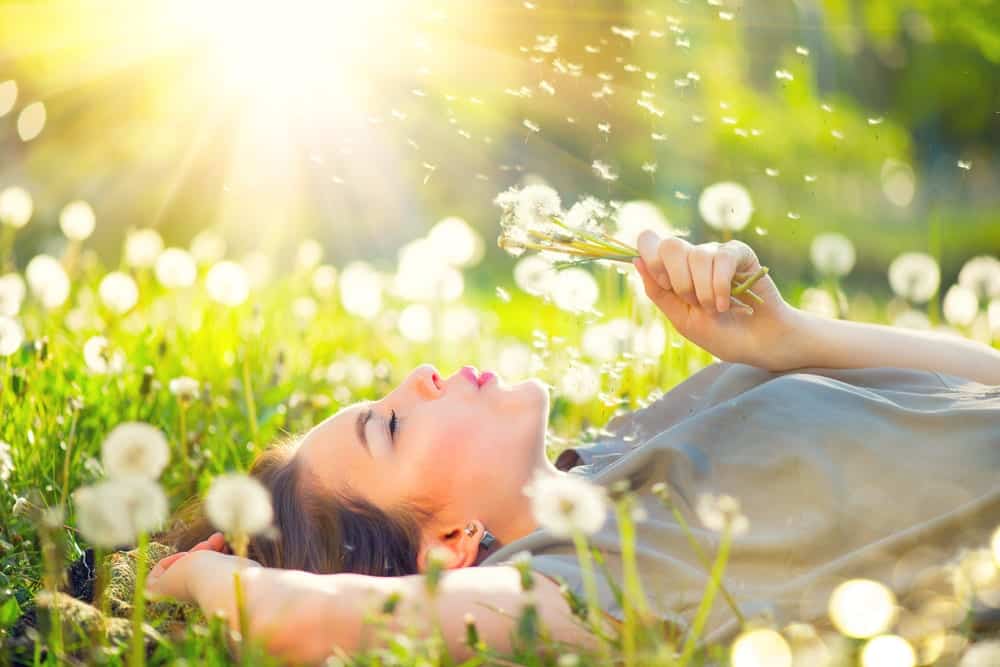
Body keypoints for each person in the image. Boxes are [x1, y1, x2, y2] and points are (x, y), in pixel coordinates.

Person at [147, 229, 1000, 664]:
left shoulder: (616, 454)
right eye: (392, 425)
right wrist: (209, 580)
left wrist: (785, 339)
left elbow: (982, 388)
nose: (417, 375)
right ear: (448, 545)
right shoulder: (581, 576)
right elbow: (315, 620)